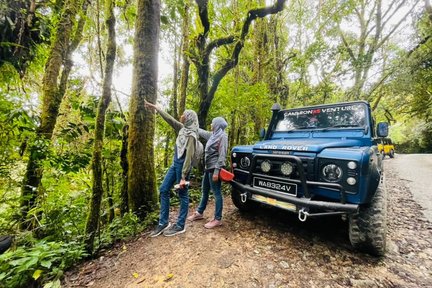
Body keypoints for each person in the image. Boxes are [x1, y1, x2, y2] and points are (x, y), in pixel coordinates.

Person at [145, 100, 199, 237]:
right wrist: (156, 108)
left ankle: (180, 225)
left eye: (184, 115)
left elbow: (189, 157)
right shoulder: (182, 128)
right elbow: (170, 119)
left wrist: (183, 177)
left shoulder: (191, 135)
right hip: (175, 164)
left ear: (189, 118)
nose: (182, 116)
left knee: (183, 194)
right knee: (163, 189)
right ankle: (163, 222)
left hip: (183, 168)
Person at [187, 116, 228, 229]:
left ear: (217, 125)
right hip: (207, 168)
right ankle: (199, 213)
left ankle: (217, 219)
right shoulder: (212, 135)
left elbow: (222, 155)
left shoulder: (222, 136)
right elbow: (201, 132)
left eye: (212, 123)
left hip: (215, 168)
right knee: (204, 191)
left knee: (216, 193)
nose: (211, 125)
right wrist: (191, 125)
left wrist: (216, 171)